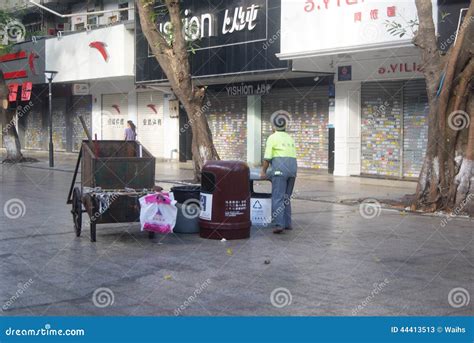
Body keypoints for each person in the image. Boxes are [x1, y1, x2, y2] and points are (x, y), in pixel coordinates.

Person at [260, 111, 297, 234]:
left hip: (280, 171)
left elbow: (267, 158)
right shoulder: (290, 137)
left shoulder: (272, 137)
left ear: (273, 126)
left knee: (278, 198)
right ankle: (288, 223)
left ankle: (279, 225)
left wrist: (263, 172)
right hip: (292, 170)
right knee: (286, 198)